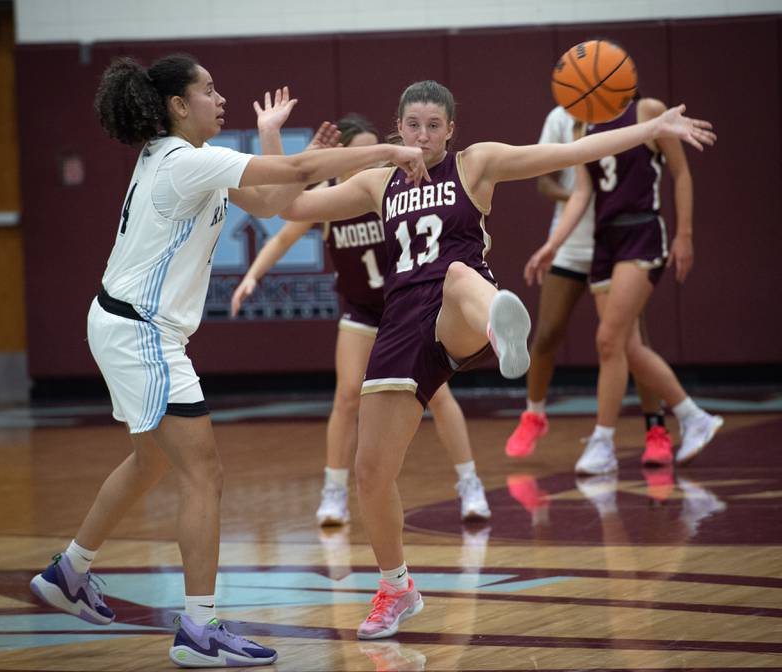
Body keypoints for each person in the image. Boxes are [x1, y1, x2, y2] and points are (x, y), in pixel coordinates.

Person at [27, 53, 429, 669]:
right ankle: (199, 627)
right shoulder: (186, 162)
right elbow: (297, 168)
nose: (221, 99)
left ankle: (70, 571)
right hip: (142, 334)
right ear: (177, 107)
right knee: (204, 475)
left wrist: (270, 136)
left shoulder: (192, 164)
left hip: (126, 326)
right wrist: (385, 153)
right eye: (208, 91)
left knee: (150, 464)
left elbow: (272, 202)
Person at [278, 79, 715, 639]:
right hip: (400, 324)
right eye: (414, 124)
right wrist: (279, 144)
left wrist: (650, 129)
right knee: (371, 472)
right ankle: (396, 587)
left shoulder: (475, 163)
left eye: (435, 125)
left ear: (451, 129)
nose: (424, 134)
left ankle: (502, 325)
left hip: (458, 308)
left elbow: (567, 152)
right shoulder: (376, 180)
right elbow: (290, 202)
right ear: (399, 126)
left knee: (460, 275)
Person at [231, 113, 491, 525]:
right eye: (361, 153)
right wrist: (252, 275)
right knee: (346, 395)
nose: (372, 160)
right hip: (361, 309)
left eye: (377, 152)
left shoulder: (393, 189)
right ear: (341, 157)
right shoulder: (334, 199)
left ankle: (470, 482)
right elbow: (282, 233)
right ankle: (334, 492)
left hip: (407, 309)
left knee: (439, 397)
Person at [525, 95, 723, 477]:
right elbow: (582, 193)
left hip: (641, 231)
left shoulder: (646, 111)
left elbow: (681, 173)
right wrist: (552, 245)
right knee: (623, 346)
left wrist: (685, 234)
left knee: (608, 339)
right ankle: (692, 416)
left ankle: (603, 440)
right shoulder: (583, 125)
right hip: (605, 240)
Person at [506, 105, 668, 466]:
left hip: (616, 243)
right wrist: (581, 196)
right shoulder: (559, 118)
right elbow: (544, 181)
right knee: (546, 333)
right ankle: (534, 414)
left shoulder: (630, 115)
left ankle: (656, 427)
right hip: (571, 243)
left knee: (631, 340)